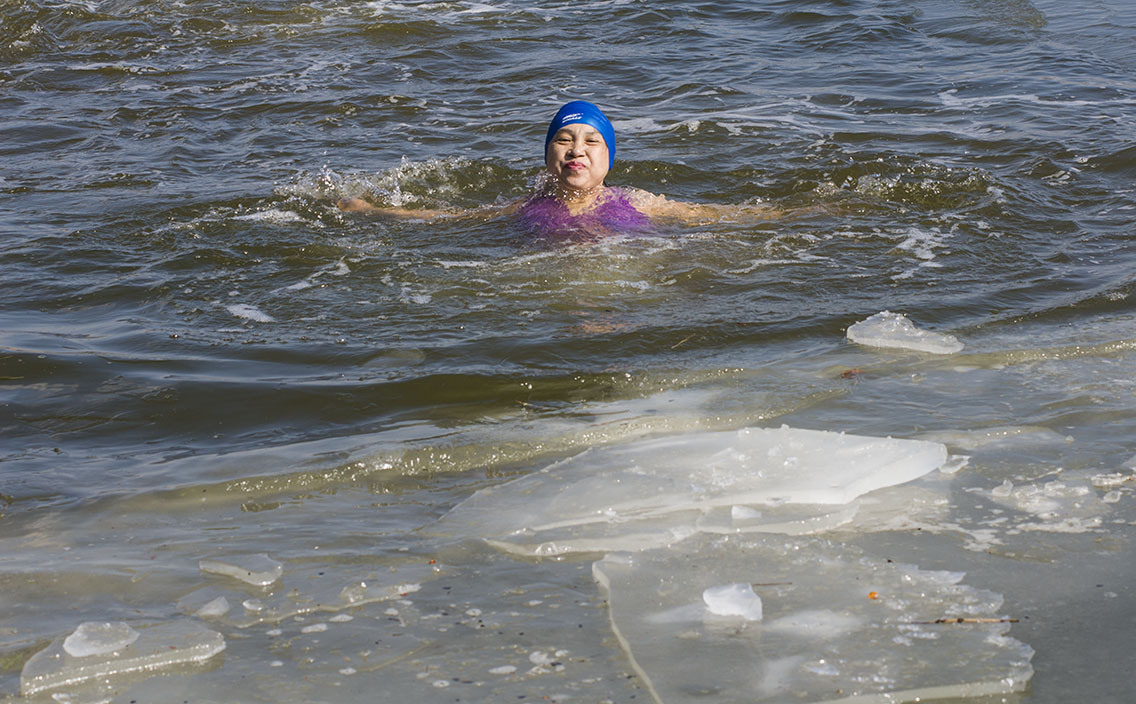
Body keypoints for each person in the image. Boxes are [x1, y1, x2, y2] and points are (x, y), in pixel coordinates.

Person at [338, 100, 785, 238]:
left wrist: (795, 214)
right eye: (564, 140)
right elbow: (448, 219)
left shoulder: (635, 201)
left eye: (592, 142)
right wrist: (370, 210)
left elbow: (716, 215)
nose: (577, 151)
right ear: (548, 156)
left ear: (609, 159)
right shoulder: (524, 206)